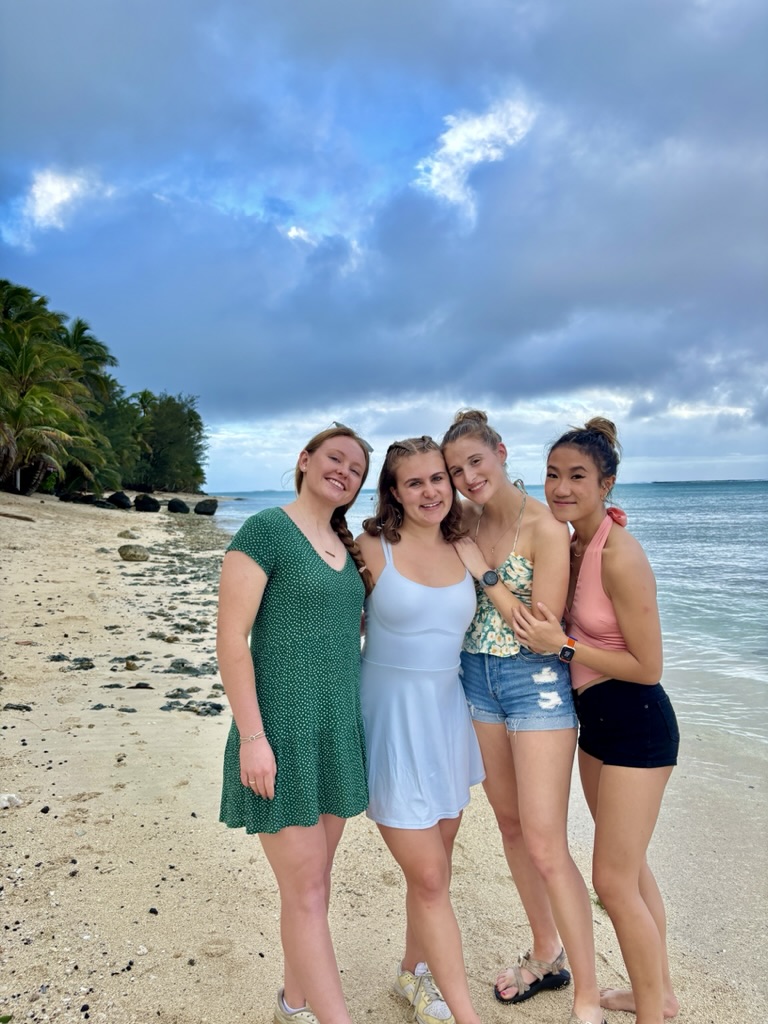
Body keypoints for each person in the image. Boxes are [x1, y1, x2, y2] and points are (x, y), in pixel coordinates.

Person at [512, 418, 680, 1024]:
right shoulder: (577, 540)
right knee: (630, 871)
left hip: (637, 722)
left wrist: (562, 648)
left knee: (611, 881)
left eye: (577, 476)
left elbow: (648, 665)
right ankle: (653, 993)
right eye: (553, 474)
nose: (560, 487)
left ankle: (651, 1014)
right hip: (596, 723)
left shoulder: (621, 553)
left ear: (607, 483)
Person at [442, 410, 604, 1024]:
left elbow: (543, 628)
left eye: (475, 463)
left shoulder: (545, 526)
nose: (467, 478)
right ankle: (547, 952)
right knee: (510, 827)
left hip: (533, 684)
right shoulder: (461, 520)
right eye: (457, 470)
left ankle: (588, 992)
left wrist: (482, 573)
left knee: (545, 840)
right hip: (475, 678)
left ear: (501, 452)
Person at [217, 424, 373, 1024]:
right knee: (307, 891)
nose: (345, 472)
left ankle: (293, 1003)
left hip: (333, 734)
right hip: (278, 731)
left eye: (357, 469)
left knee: (312, 888)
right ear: (304, 461)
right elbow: (231, 641)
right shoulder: (266, 530)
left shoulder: (345, 545)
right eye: (335, 459)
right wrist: (253, 739)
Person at [356, 436, 485, 1024]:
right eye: (415, 482)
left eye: (438, 478)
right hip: (390, 721)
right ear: (393, 492)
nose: (430, 490)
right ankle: (466, 1015)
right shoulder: (370, 548)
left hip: (446, 718)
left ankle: (413, 975)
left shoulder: (466, 546)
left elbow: (514, 581)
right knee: (430, 874)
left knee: (439, 862)